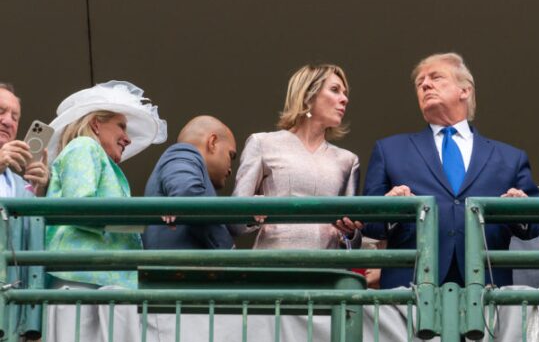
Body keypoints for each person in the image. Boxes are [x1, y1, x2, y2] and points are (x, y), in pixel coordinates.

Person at [362, 52, 539, 288]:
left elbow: (535, 225)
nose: (425, 84)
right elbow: (368, 222)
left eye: (436, 77)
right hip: (411, 287)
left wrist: (519, 209)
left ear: (464, 90)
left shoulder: (509, 157)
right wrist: (391, 208)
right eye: (420, 83)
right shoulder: (390, 150)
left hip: (486, 289)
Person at [45, 80, 167, 289]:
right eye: (121, 126)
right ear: (95, 124)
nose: (128, 139)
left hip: (101, 278)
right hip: (80, 276)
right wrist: (145, 216)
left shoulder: (96, 156)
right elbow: (79, 209)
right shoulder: (83, 146)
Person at [232, 64, 360, 249]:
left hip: (326, 270)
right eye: (335, 90)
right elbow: (234, 223)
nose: (344, 99)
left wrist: (350, 232)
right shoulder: (262, 143)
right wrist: (251, 212)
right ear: (308, 94)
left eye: (345, 93)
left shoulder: (348, 160)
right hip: (273, 265)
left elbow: (352, 244)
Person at [0, 82, 49, 339]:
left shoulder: (20, 184)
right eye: (1, 112)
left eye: (15, 117)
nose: (8, 121)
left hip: (9, 309)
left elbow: (29, 244)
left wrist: (37, 192)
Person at [143, 116, 237, 250]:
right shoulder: (184, 154)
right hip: (178, 267)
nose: (230, 169)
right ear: (212, 142)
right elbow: (186, 192)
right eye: (231, 155)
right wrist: (228, 249)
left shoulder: (189, 166)